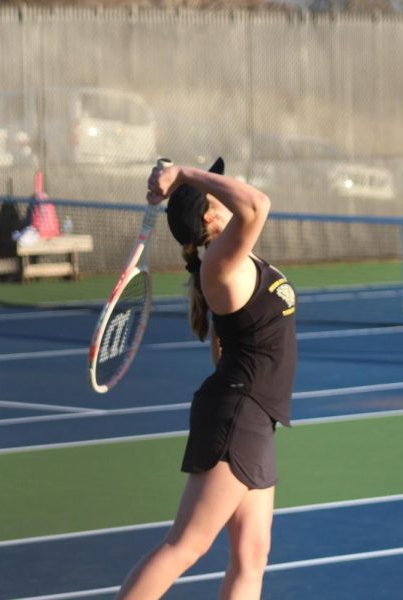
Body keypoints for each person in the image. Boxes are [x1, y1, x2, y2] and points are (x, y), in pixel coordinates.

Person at [117, 158, 297, 600]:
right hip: (241, 415)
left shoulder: (228, 258)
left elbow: (223, 347)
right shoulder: (219, 263)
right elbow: (257, 203)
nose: (231, 186)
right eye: (219, 191)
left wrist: (179, 177)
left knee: (252, 556)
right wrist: (183, 174)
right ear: (210, 214)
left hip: (253, 414)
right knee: (186, 545)